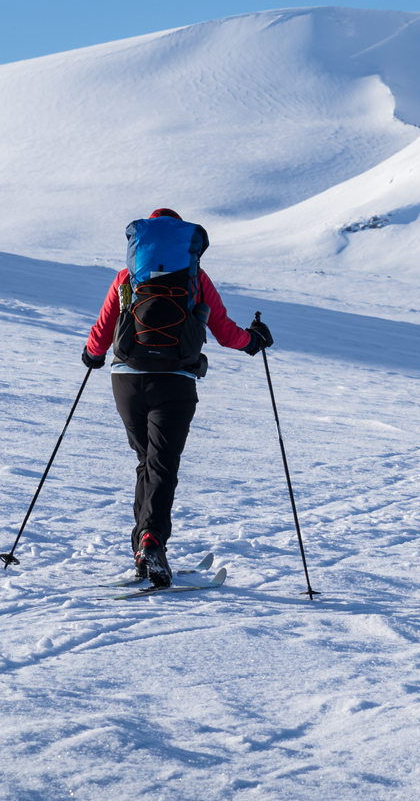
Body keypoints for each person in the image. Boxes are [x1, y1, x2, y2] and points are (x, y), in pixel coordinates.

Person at [82, 208, 272, 588]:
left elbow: (104, 326)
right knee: (162, 465)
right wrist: (254, 340)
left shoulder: (128, 277)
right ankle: (152, 542)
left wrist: (92, 355)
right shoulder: (195, 279)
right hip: (175, 381)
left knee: (146, 462)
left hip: (127, 382)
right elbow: (223, 329)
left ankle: (143, 549)